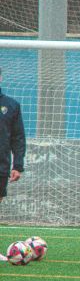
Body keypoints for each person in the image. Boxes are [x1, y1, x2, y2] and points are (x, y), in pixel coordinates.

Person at [0, 67, 26, 204]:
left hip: (1, 165)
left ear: (0, 78)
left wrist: (17, 165)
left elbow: (18, 138)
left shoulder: (11, 105)